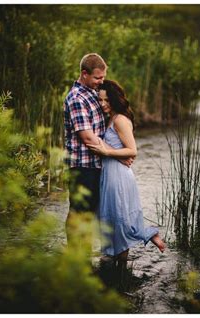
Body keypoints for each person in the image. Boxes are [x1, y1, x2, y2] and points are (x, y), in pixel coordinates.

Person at [87, 79, 166, 265]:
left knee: (120, 219)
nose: (103, 104)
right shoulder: (111, 119)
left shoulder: (121, 120)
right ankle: (117, 264)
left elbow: (132, 151)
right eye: (100, 100)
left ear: (115, 99)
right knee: (112, 219)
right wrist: (115, 154)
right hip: (109, 174)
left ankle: (124, 266)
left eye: (107, 100)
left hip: (119, 177)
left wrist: (107, 152)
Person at [63, 53, 133, 244]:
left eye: (102, 77)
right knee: (79, 212)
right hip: (82, 166)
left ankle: (83, 257)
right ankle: (76, 259)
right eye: (97, 78)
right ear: (84, 74)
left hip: (96, 164)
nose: (101, 81)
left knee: (90, 213)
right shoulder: (77, 98)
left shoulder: (93, 93)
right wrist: (119, 155)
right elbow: (88, 138)